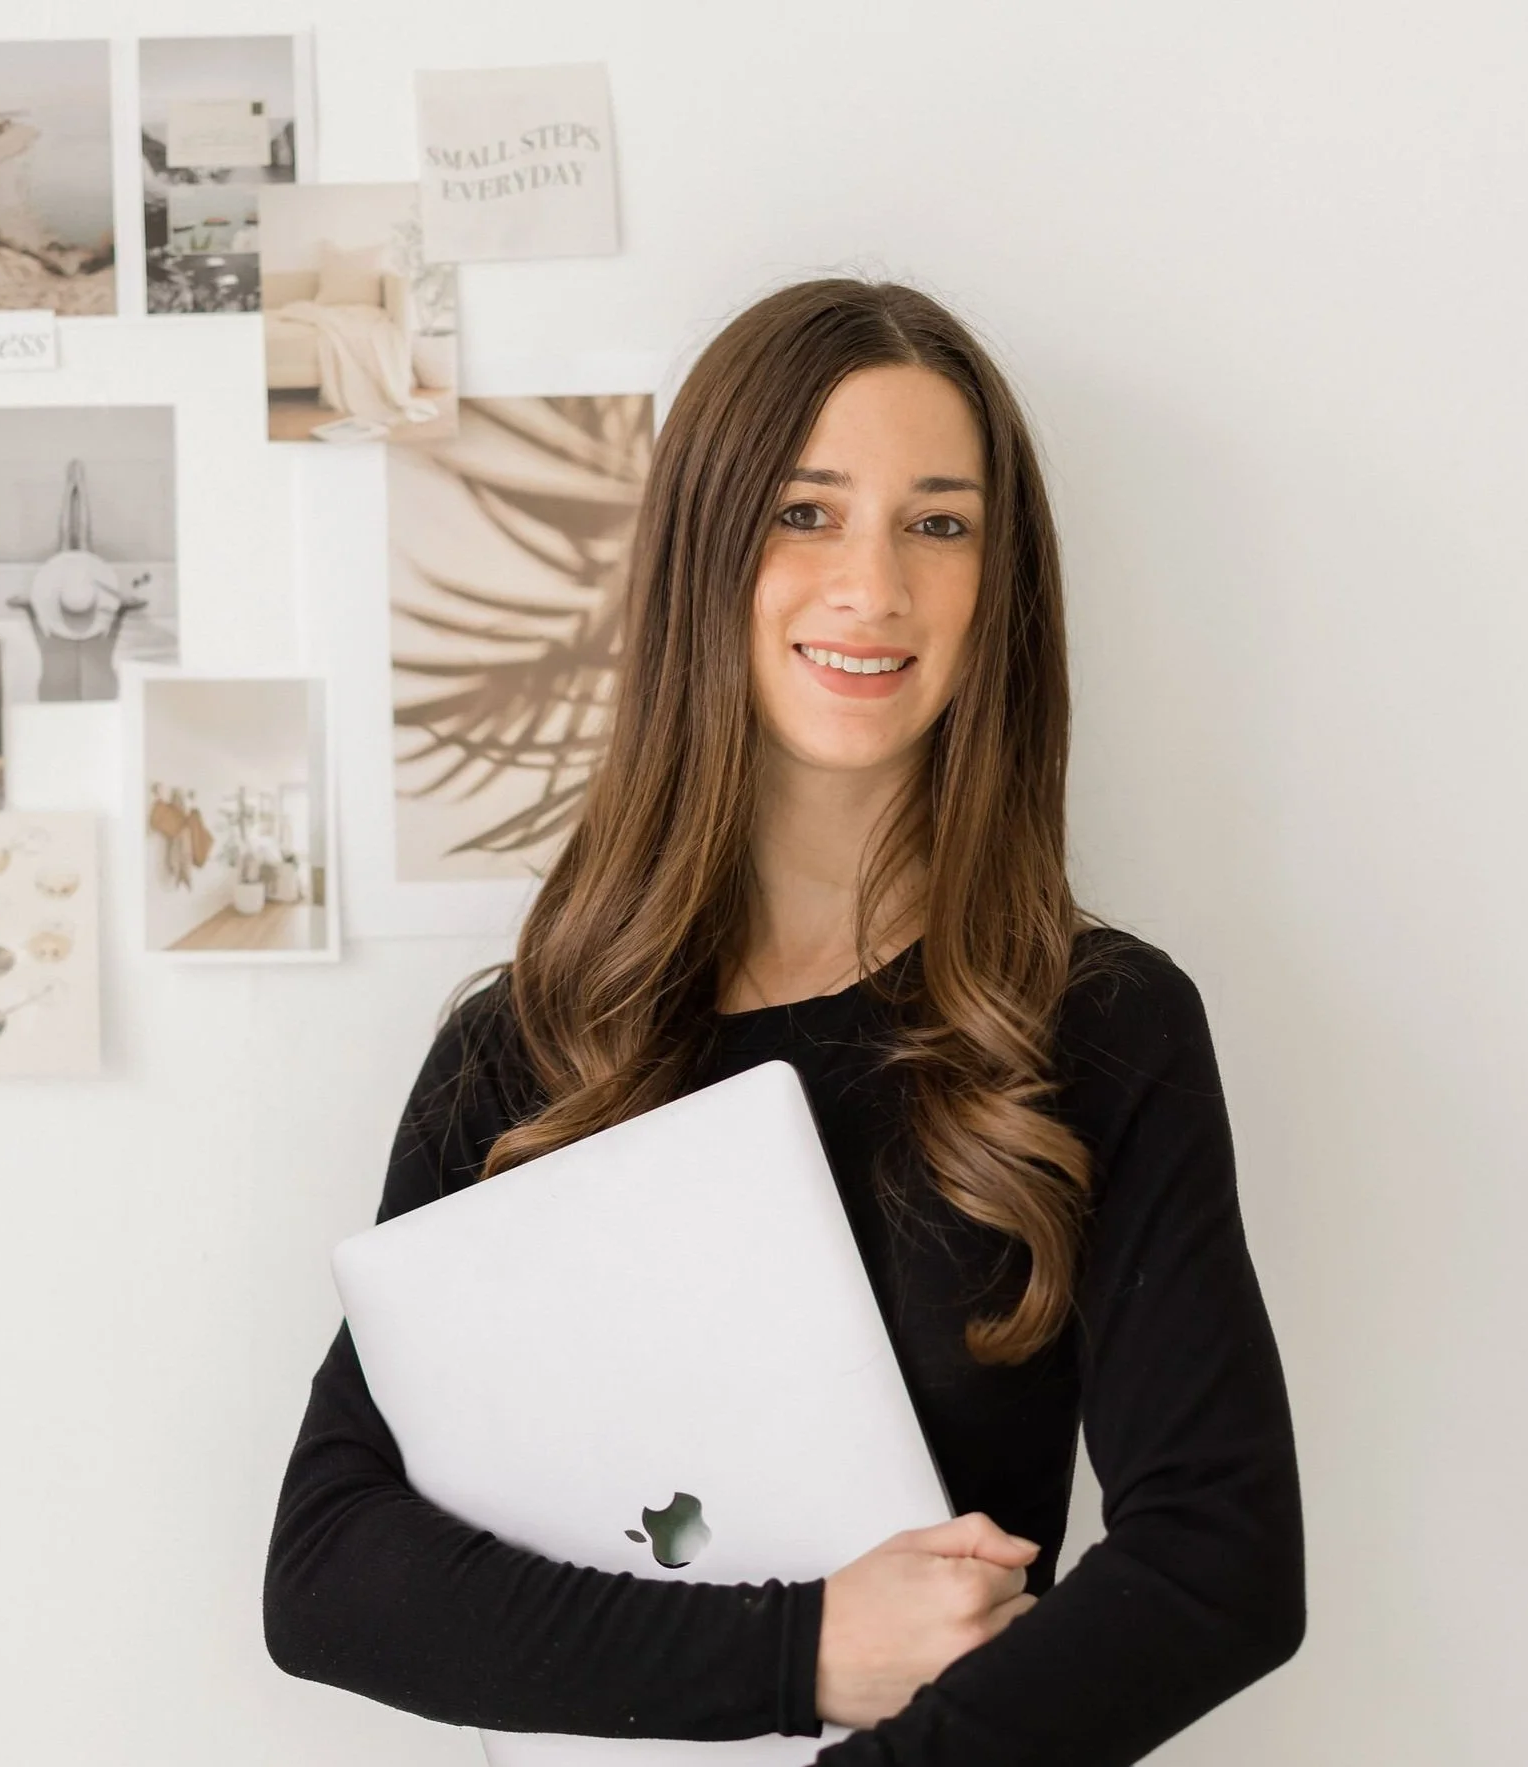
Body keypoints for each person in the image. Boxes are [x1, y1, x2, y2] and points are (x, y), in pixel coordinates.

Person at [262, 277, 1306, 1762]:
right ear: (703, 549)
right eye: (805, 512)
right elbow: (328, 1574)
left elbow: (1219, 1563)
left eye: (936, 523)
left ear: (995, 585)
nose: (871, 587)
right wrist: (801, 1646)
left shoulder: (1099, 1024)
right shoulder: (525, 1047)